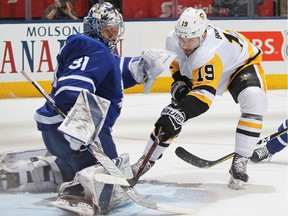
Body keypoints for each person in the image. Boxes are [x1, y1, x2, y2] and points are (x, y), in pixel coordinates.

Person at [0, 2, 175, 214]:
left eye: (115, 29)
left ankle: (37, 172)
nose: (113, 34)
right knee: (110, 177)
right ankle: (77, 192)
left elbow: (112, 71)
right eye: (107, 29)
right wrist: (80, 126)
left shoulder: (96, 52)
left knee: (73, 163)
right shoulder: (93, 49)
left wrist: (139, 66)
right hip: (79, 129)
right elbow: (73, 88)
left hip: (60, 131)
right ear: (94, 28)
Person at [132, 7, 268, 190]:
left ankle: (241, 158)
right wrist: (179, 82)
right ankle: (146, 160)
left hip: (239, 66)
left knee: (255, 98)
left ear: (203, 35)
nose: (186, 45)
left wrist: (180, 112)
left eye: (191, 40)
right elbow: (177, 65)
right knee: (170, 116)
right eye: (183, 40)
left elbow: (203, 98)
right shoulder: (174, 39)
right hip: (209, 67)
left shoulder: (209, 53)